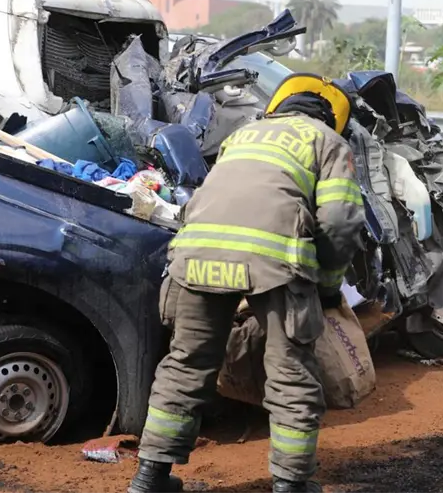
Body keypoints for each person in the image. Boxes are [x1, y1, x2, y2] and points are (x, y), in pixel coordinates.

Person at [127, 73, 366, 493]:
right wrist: (327, 286)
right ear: (331, 119)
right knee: (290, 375)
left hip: (195, 256)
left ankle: (149, 478)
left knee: (186, 364)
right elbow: (340, 224)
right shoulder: (329, 143)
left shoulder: (243, 135)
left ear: (278, 107)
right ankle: (291, 485)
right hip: (271, 263)